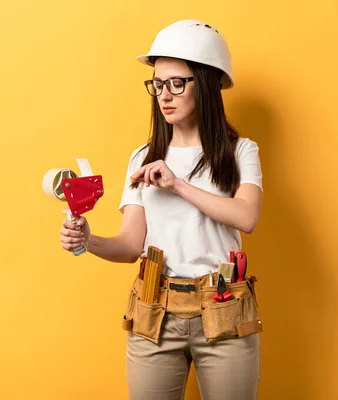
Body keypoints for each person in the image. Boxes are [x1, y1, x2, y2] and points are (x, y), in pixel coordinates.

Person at [59, 19, 263, 400]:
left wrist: (178, 185)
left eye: (176, 83)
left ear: (205, 84)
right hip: (155, 309)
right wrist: (88, 239)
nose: (164, 95)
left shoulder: (240, 152)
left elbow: (247, 217)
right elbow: (130, 244)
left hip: (223, 309)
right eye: (157, 84)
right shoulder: (143, 156)